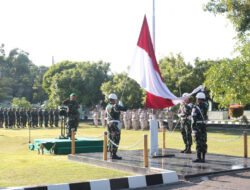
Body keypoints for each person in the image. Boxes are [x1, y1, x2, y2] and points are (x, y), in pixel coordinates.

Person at [106, 93, 127, 159]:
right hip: (115, 124)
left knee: (110, 138)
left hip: (109, 123)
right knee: (116, 138)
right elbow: (125, 109)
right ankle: (114, 154)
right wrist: (122, 104)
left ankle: (110, 153)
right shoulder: (115, 106)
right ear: (114, 100)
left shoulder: (108, 106)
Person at [191, 92, 208, 163]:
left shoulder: (196, 107)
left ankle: (198, 157)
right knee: (203, 141)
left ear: (198, 99)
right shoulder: (206, 105)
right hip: (204, 126)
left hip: (197, 126)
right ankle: (203, 158)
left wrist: (193, 128)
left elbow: (193, 119)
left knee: (198, 142)